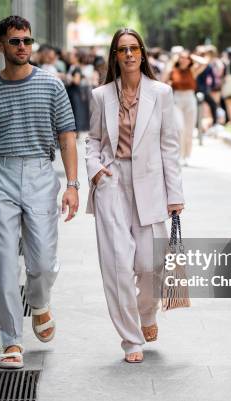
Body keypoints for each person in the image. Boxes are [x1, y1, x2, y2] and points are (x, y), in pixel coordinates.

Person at [0, 15, 78, 370]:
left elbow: (66, 138)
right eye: (15, 41)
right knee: (1, 263)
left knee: (43, 261)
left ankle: (39, 301)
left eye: (27, 41)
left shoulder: (51, 85)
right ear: (0, 45)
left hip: (39, 173)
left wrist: (73, 185)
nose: (22, 47)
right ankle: (11, 341)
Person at [85, 28, 184, 363]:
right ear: (115, 56)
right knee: (117, 266)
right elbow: (93, 141)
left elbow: (170, 146)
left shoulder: (162, 93)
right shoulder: (101, 95)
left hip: (151, 184)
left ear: (142, 53)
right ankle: (130, 339)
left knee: (149, 264)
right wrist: (95, 170)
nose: (128, 55)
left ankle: (147, 313)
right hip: (112, 183)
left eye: (134, 48)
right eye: (122, 49)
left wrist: (175, 194)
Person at [165, 50, 202, 166]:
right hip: (177, 99)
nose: (184, 60)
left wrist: (192, 56)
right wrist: (173, 60)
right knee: (180, 129)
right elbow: (164, 79)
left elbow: (205, 62)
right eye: (181, 57)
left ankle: (187, 156)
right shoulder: (173, 70)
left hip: (190, 99)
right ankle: (179, 155)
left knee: (189, 130)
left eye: (186, 58)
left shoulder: (192, 70)